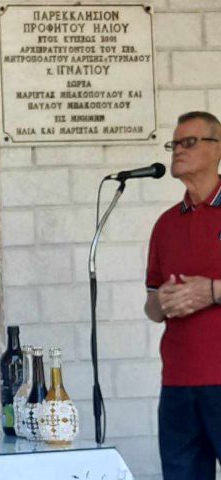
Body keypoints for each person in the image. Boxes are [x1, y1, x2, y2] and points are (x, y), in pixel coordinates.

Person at [144, 111, 221, 480]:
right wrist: (162, 301)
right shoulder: (166, 224)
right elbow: (152, 307)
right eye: (174, 143)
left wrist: (212, 291)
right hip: (177, 384)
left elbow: (210, 291)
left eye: (189, 142)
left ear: (217, 149)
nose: (178, 150)